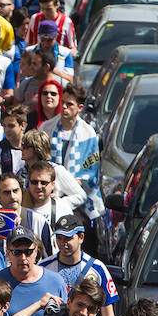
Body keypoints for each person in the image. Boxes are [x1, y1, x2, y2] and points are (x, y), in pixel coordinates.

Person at [40, 215, 118, 316]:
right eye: (59, 238)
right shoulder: (43, 267)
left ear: (81, 237)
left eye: (68, 238)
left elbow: (107, 312)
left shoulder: (97, 268)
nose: (62, 243)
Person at [39, 84, 104, 220]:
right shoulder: (46, 128)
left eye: (69, 104)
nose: (64, 107)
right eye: (63, 102)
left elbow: (91, 169)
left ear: (79, 108)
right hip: (50, 193)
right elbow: (40, 162)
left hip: (79, 200)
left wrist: (71, 186)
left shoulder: (88, 133)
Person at [0, 227, 67, 316]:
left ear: (36, 251)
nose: (23, 258)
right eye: (17, 253)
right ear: (8, 253)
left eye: (28, 252)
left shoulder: (56, 281)